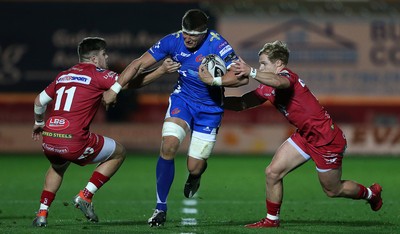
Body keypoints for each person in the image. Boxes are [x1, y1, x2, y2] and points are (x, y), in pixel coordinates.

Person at [199, 40, 383, 228]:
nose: (261, 67)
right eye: (260, 64)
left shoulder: (287, 76)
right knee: (272, 172)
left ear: (278, 64)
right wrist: (215, 102)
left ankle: (371, 193)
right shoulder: (266, 86)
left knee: (333, 190)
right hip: (304, 136)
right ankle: (272, 220)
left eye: (264, 63)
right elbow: (242, 103)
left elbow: (280, 82)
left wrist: (252, 72)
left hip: (326, 140)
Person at [102, 9, 248, 227]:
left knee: (194, 166)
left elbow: (242, 78)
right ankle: (160, 208)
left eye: (194, 35)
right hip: (183, 101)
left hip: (210, 109)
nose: (188, 38)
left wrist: (214, 81)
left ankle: (196, 176)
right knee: (168, 146)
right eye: (185, 33)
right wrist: (115, 88)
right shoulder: (173, 41)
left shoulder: (218, 45)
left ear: (204, 33)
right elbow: (139, 64)